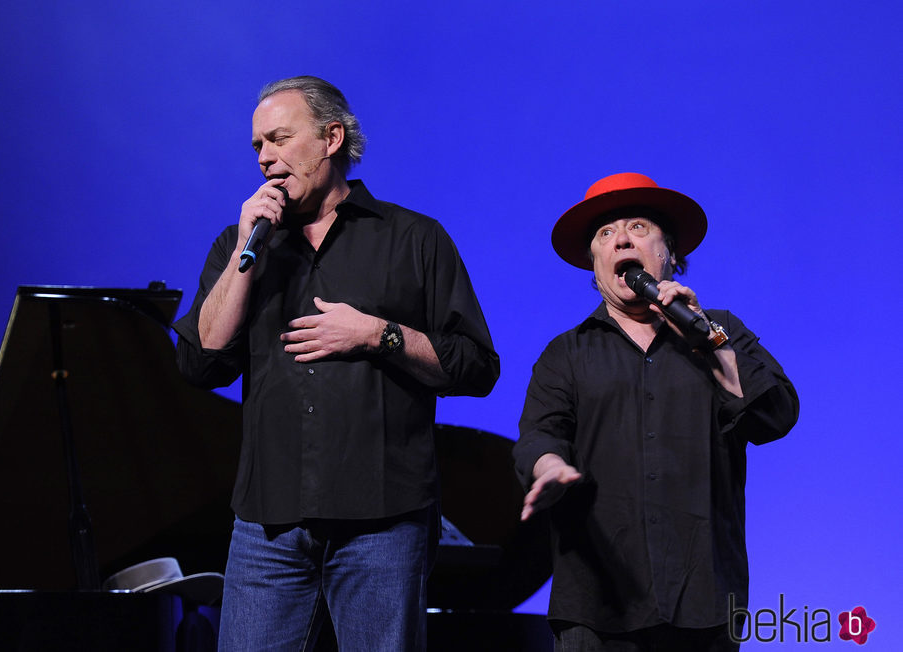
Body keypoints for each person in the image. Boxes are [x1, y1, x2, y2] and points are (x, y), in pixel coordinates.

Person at [172, 76, 498, 651]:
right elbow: (201, 362)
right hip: (267, 523)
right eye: (257, 147)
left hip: (383, 519)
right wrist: (250, 248)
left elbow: (474, 366)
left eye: (278, 139)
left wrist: (379, 334)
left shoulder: (414, 239)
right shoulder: (239, 245)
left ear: (330, 138)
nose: (266, 158)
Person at [513, 172, 798, 651]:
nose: (621, 238)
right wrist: (551, 468)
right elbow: (540, 437)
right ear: (596, 263)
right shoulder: (565, 353)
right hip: (597, 606)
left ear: (669, 253)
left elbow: (778, 416)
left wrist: (710, 341)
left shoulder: (720, 330)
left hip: (705, 601)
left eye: (638, 226)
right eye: (605, 234)